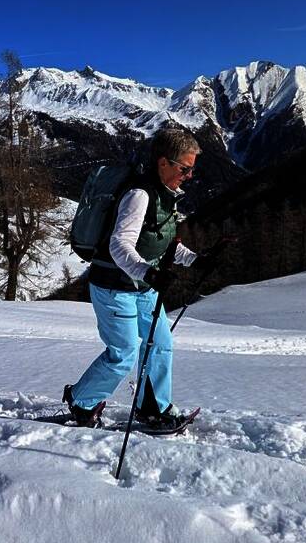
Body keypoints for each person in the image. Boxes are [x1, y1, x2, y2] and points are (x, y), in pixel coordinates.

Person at [65, 126, 203, 428]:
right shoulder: (139, 195)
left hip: (142, 285)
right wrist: (149, 272)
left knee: (160, 343)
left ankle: (153, 407)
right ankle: (81, 402)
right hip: (114, 286)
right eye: (185, 168)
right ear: (163, 162)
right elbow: (119, 244)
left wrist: (196, 261)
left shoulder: (166, 195)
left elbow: (162, 242)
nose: (189, 175)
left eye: (192, 169)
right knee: (123, 353)